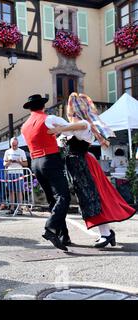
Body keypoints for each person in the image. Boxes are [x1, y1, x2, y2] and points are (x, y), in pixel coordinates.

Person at [48, 93, 136, 248]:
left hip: (83, 164)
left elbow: (78, 127)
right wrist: (60, 131)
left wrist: (60, 128)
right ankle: (107, 233)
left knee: (93, 197)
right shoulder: (72, 129)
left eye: (71, 111)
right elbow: (64, 140)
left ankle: (106, 234)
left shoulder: (83, 124)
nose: (69, 114)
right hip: (77, 166)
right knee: (90, 198)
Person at [21, 94, 71, 251]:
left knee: (53, 199)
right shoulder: (48, 118)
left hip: (35, 162)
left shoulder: (24, 125)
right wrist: (60, 132)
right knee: (63, 196)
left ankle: (64, 235)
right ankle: (50, 228)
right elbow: (70, 129)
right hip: (50, 159)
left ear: (30, 108)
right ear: (43, 106)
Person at [3, 137, 28, 214]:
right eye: (12, 145)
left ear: (18, 144)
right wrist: (9, 161)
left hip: (19, 173)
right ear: (10, 144)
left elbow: (26, 164)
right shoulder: (7, 152)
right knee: (11, 191)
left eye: (15, 145)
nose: (14, 146)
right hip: (10, 173)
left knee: (19, 191)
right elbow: (4, 164)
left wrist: (19, 162)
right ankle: (12, 208)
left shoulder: (21, 151)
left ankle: (20, 208)